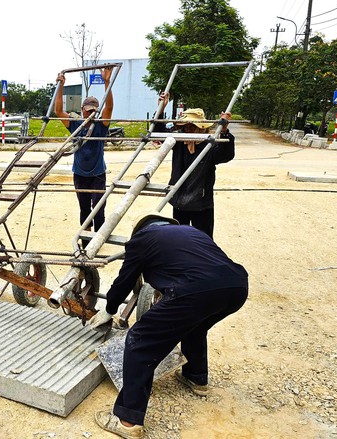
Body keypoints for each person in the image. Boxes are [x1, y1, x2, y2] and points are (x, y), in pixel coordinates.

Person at [89, 212, 248, 438]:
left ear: (141, 230)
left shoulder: (141, 240)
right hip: (236, 286)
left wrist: (109, 309)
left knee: (140, 341)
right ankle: (196, 376)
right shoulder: (192, 232)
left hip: (194, 290)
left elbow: (125, 279)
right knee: (196, 324)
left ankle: (128, 421)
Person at [54, 66, 114, 233]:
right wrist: (60, 85)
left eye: (93, 112)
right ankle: (86, 237)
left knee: (99, 208)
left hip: (97, 174)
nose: (90, 115)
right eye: (87, 111)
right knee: (84, 208)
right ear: (82, 110)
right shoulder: (75, 125)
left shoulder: (101, 126)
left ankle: (98, 237)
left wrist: (107, 81)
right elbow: (58, 111)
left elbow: (109, 107)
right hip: (80, 174)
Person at [168, 108, 234, 239]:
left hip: (201, 202)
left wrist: (225, 131)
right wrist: (162, 108)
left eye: (191, 126)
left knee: (203, 240)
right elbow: (159, 133)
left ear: (201, 128)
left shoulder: (209, 145)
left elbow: (225, 155)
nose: (187, 130)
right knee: (179, 239)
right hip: (179, 200)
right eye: (185, 126)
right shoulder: (179, 142)